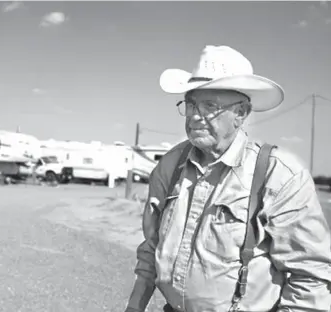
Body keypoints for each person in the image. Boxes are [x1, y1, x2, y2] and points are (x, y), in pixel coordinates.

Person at [124, 45, 331, 312]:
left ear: (241, 113)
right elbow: (152, 247)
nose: (195, 116)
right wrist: (134, 307)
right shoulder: (171, 164)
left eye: (209, 106)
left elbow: (311, 277)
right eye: (190, 105)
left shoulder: (278, 175)